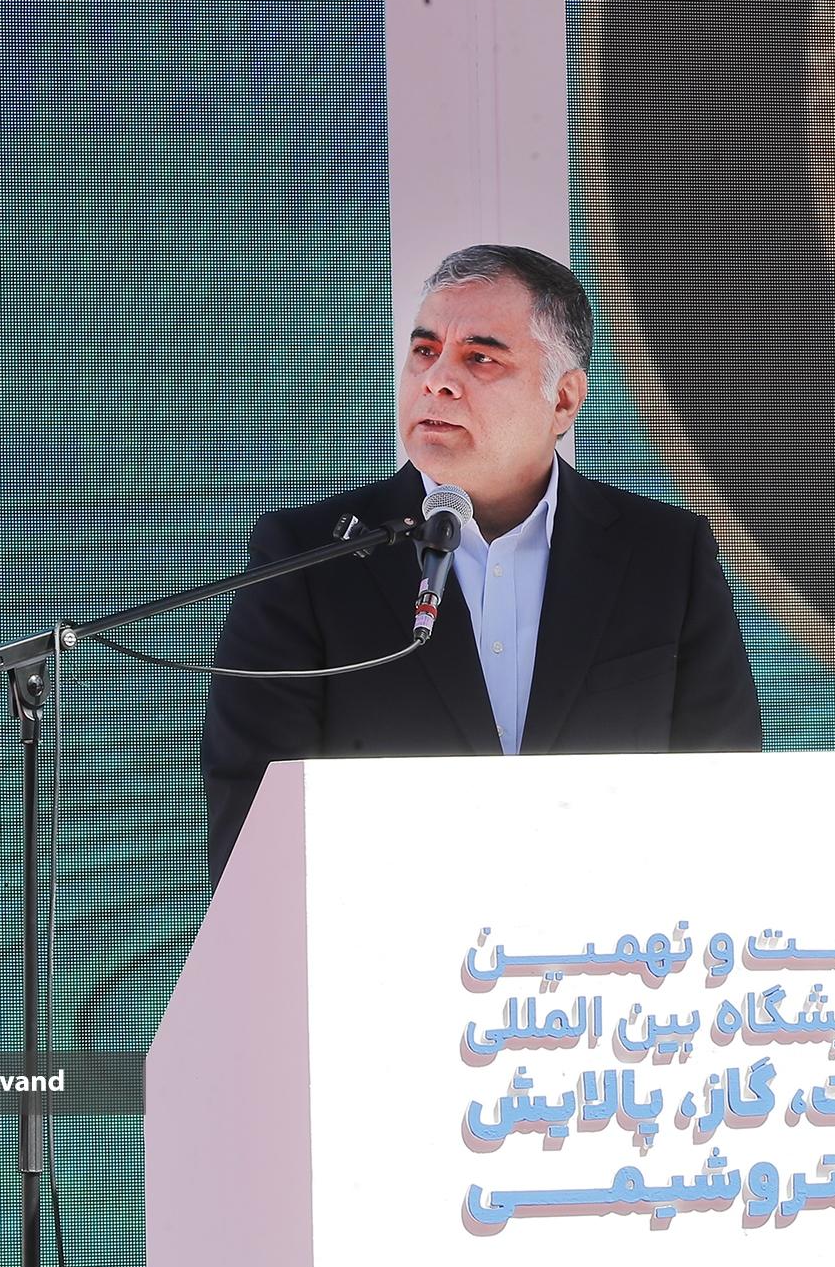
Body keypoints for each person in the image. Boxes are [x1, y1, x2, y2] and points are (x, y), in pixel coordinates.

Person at [200, 245, 762, 884]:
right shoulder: (310, 555)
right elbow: (256, 801)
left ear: (563, 401)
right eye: (424, 350)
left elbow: (725, 785)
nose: (437, 380)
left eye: (480, 358)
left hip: (617, 928)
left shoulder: (664, 553)